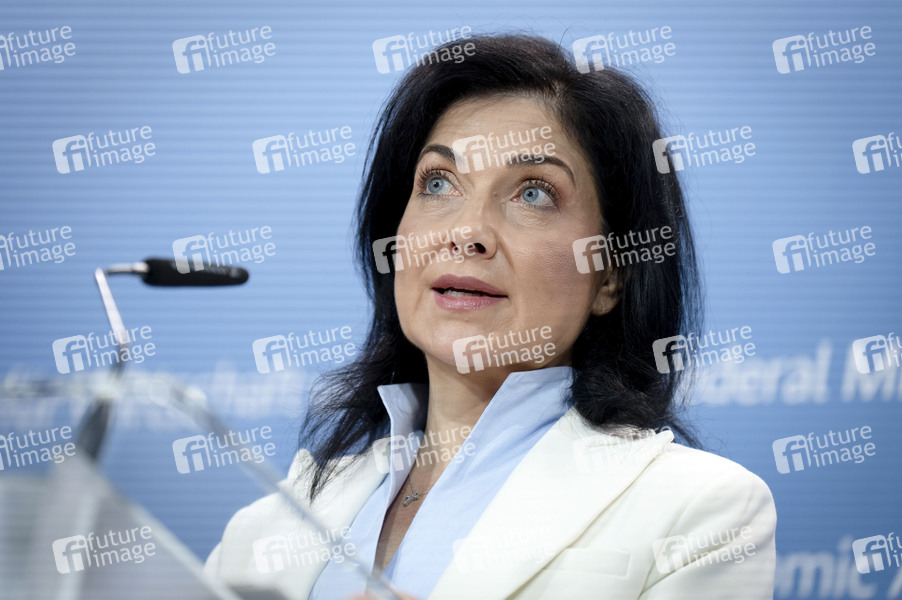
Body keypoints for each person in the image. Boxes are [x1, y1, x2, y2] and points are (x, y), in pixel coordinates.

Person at [204, 34, 776, 599]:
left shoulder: (699, 511)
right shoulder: (263, 529)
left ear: (610, 275)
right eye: (438, 183)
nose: (467, 232)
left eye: (533, 194)